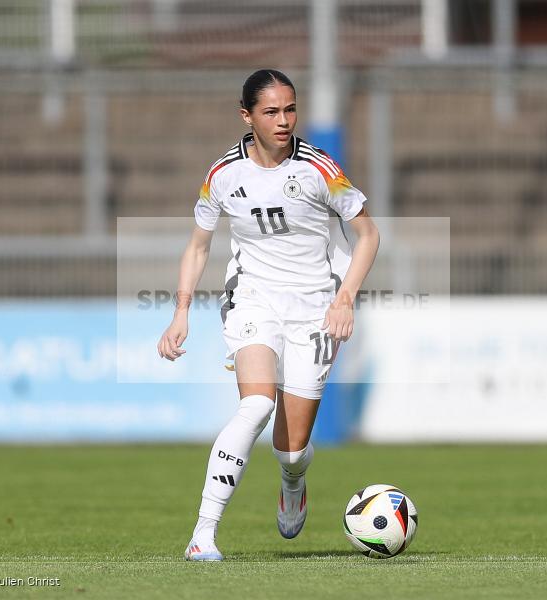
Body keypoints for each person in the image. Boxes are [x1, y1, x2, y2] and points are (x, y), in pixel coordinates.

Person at [157, 69, 380, 561]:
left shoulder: (320, 169)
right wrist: (180, 314)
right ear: (247, 115)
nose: (284, 121)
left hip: (316, 309)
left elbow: (368, 235)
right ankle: (203, 535)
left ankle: (292, 481)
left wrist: (344, 299)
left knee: (292, 448)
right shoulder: (222, 175)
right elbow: (198, 247)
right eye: (271, 112)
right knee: (255, 405)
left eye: (291, 110)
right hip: (253, 300)